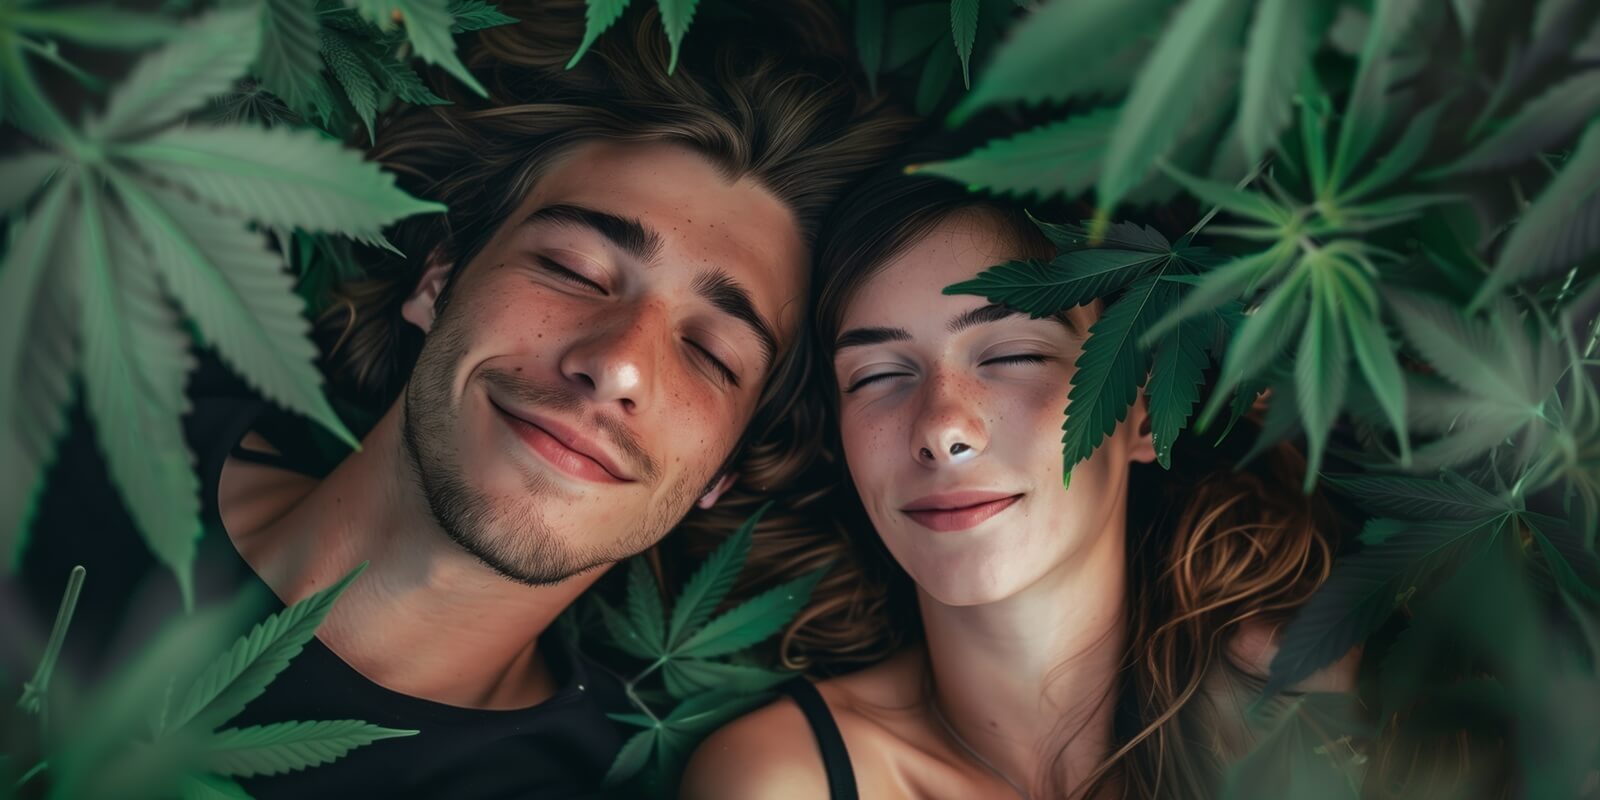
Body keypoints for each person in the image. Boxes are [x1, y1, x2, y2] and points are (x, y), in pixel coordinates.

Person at [13, 2, 904, 796]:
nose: (619, 366)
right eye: (573, 269)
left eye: (711, 353)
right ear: (438, 279)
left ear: (728, 469)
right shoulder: (56, 408)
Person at [682, 162, 1364, 799]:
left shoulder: (1331, 706)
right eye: (879, 375)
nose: (941, 427)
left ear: (1149, 412)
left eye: (1013, 354)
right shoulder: (787, 780)